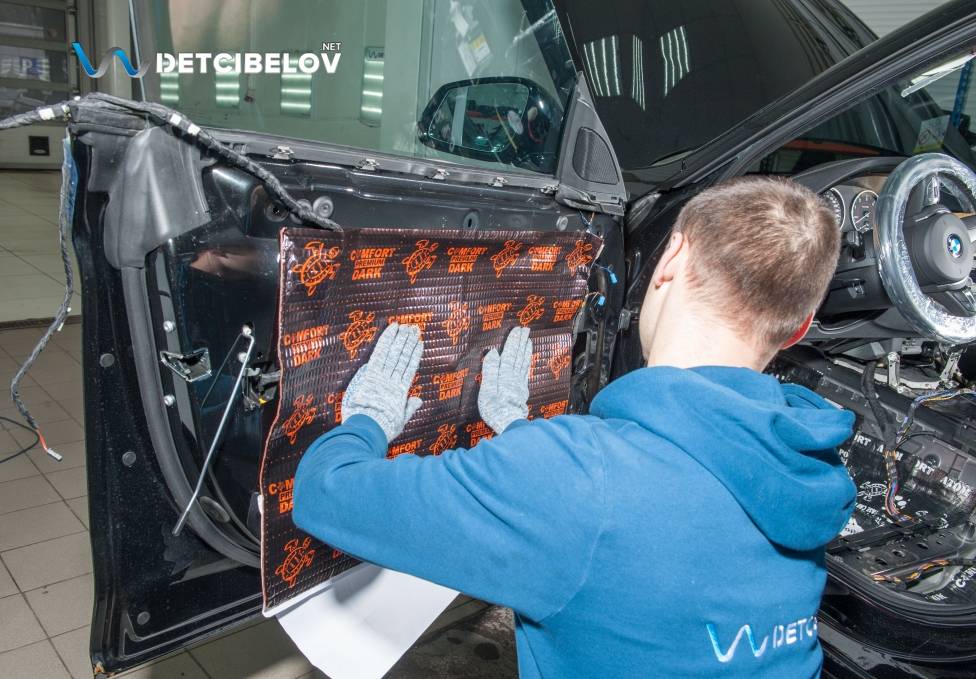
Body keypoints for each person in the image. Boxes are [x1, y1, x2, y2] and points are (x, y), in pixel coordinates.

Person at [292, 176, 855, 678]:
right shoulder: (807, 464)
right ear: (799, 328)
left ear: (671, 259)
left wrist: (368, 417)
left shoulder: (579, 481)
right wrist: (522, 433)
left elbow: (324, 494)